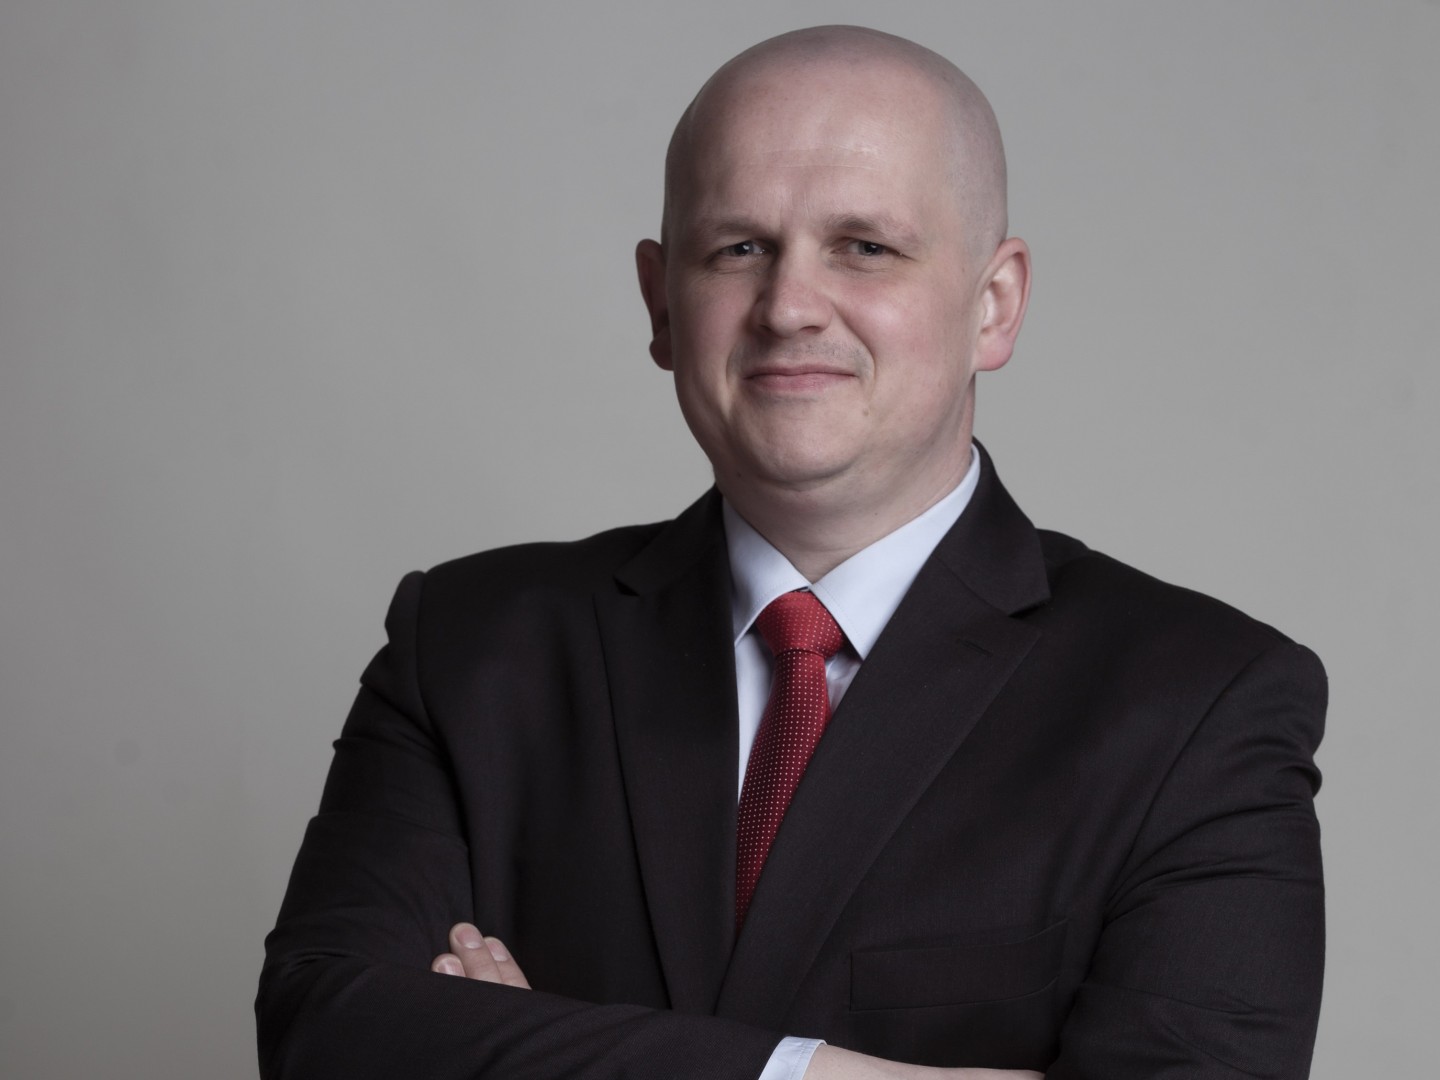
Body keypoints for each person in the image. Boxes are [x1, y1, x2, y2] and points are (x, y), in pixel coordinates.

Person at [257, 25, 1325, 1080]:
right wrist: (822, 1075)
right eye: (738, 248)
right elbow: (322, 1033)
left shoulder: (1199, 702)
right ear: (661, 303)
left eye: (866, 246)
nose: (789, 307)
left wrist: (527, 1052)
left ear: (993, 305)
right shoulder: (467, 649)